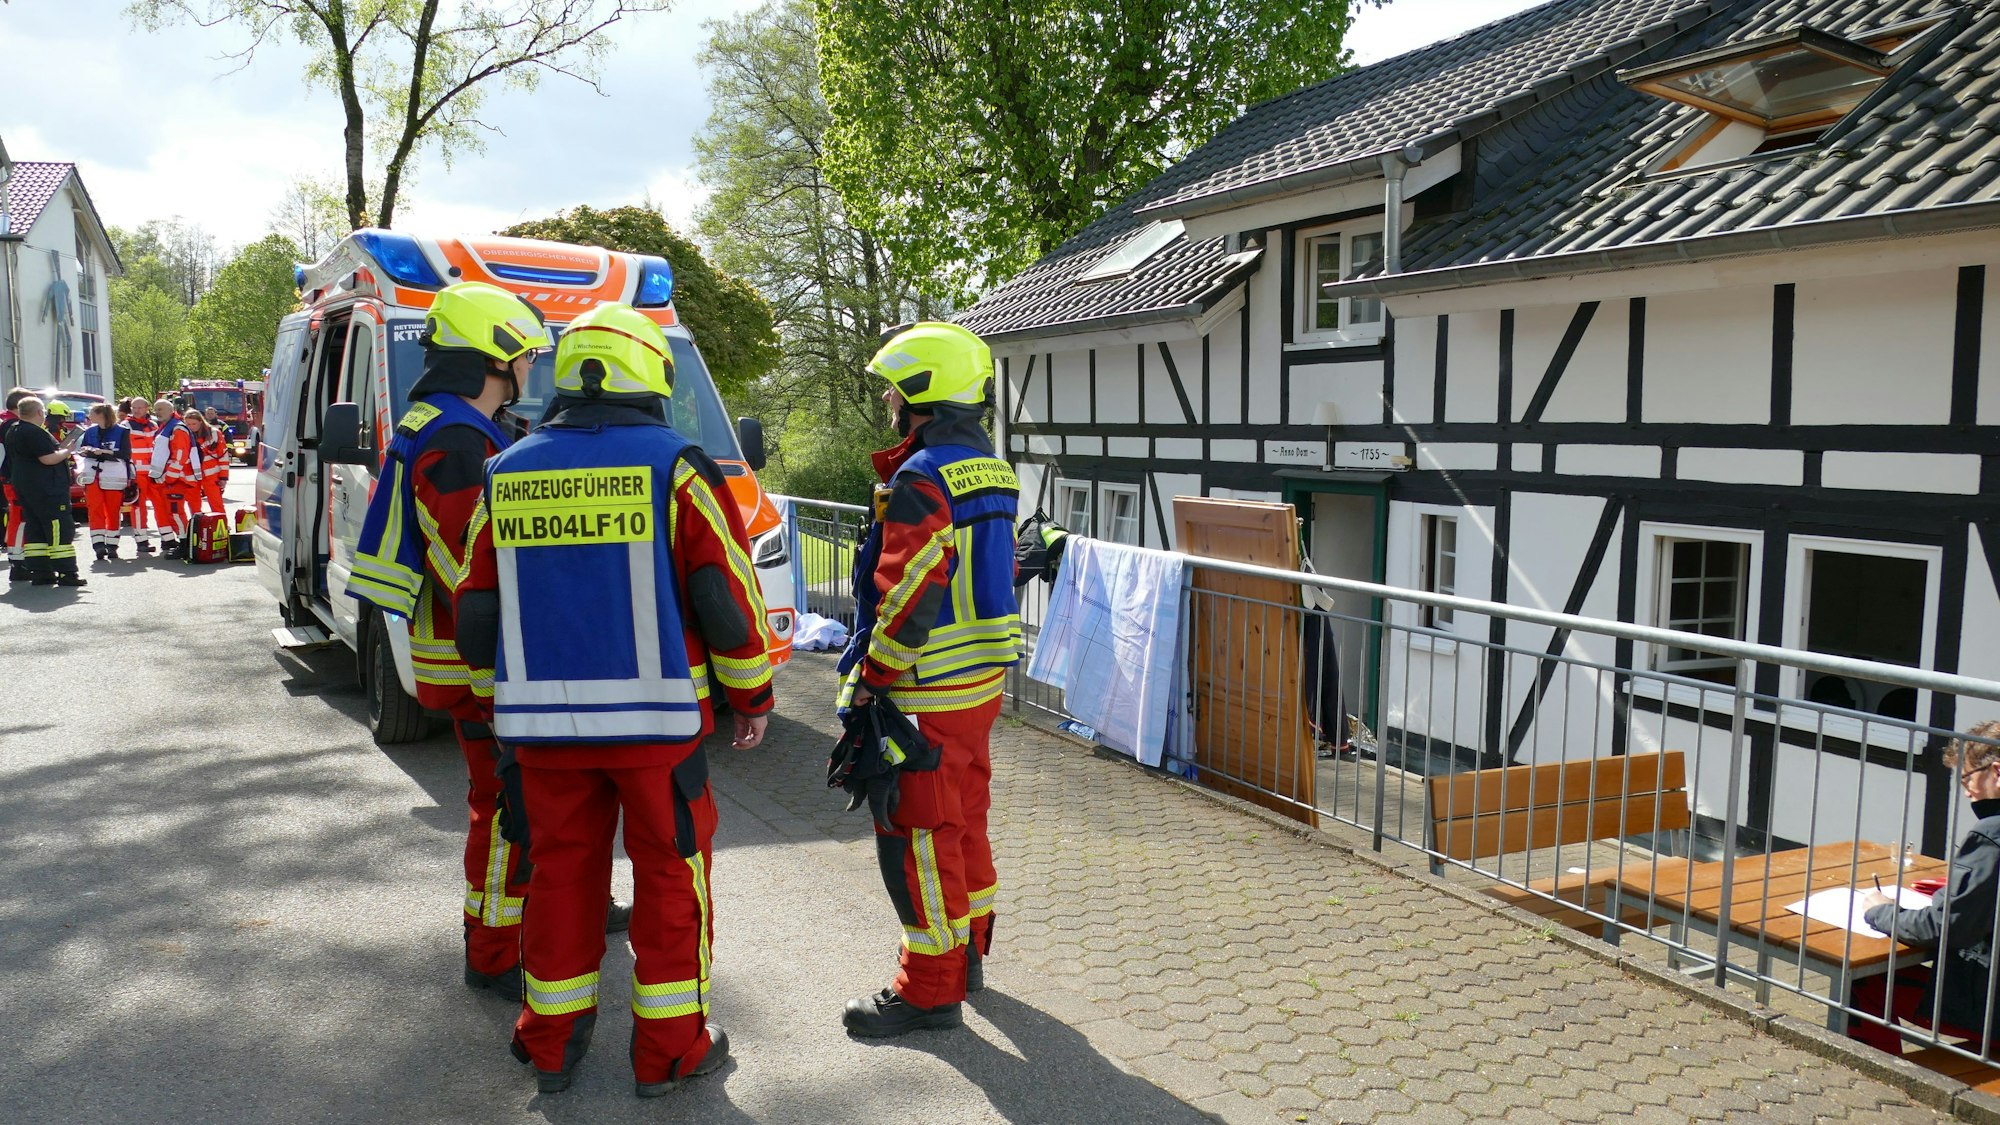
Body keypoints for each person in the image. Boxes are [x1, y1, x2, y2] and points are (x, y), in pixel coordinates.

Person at [455, 302, 772, 1096]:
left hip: (541, 730)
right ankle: (669, 1051)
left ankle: (551, 1041)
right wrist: (753, 693)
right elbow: (725, 597)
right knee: (671, 875)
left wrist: (496, 702)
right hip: (655, 729)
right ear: (648, 375)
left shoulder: (508, 468)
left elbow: (476, 608)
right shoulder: (678, 464)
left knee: (560, 874)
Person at [349, 282, 627, 1008]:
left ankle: (564, 906)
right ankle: (496, 950)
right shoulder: (457, 440)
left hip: (478, 655)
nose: (531, 369)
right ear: (493, 357)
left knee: (535, 797)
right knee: (508, 806)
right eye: (524, 356)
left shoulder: (450, 424)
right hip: (485, 664)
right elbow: (474, 559)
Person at [835, 322, 1023, 1037]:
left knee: (918, 835)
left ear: (919, 394)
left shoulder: (921, 477)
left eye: (893, 388)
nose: (887, 399)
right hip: (979, 684)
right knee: (966, 820)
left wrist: (871, 679)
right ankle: (969, 953)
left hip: (926, 688)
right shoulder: (994, 469)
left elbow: (910, 588)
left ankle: (930, 990)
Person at [1852, 721, 2000, 1052]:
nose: (1966, 792)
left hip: (1989, 1011)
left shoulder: (1990, 836)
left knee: (1865, 982)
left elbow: (1946, 926)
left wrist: (1880, 911)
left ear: (1997, 772)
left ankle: (1881, 1080)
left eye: (1967, 778)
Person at [3, 397, 85, 587]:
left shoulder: (14, 430)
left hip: (26, 487)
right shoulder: (34, 432)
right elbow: (47, 459)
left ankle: (41, 572)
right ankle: (67, 573)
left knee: (36, 529)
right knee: (59, 528)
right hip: (47, 489)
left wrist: (59, 448)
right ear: (39, 412)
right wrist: (67, 451)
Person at [76, 403, 132, 562]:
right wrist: (87, 450)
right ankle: (98, 545)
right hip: (93, 474)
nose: (89, 416)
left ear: (101, 414)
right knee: (95, 509)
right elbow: (81, 450)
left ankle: (112, 545)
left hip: (113, 475)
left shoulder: (121, 431)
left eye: (92, 413)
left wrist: (106, 452)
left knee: (113, 510)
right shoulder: (90, 431)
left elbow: (126, 453)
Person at [148, 398, 201, 555]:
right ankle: (183, 543)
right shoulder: (168, 427)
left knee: (176, 512)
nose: (157, 413)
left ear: (171, 411)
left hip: (179, 479)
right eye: (156, 410)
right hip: (175, 479)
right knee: (174, 513)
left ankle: (185, 546)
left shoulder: (176, 429)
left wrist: (168, 477)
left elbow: (180, 456)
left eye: (161, 409)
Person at [124, 398, 163, 556]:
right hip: (137, 473)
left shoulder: (153, 425)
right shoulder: (126, 425)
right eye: (134, 407)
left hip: (153, 472)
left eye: (140, 407)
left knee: (161, 505)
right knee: (139, 508)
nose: (137, 410)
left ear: (147, 408)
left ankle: (167, 538)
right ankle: (142, 541)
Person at [0, 386, 32, 569]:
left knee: (16, 517)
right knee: (19, 518)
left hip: (10, 478)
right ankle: (18, 560)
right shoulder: (12, 426)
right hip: (14, 478)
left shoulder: (6, 423)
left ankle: (17, 557)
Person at [187, 411, 228, 514]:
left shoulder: (214, 433)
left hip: (211, 475)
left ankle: (222, 525)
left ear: (201, 422)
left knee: (216, 503)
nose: (191, 427)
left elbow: (223, 457)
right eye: (188, 424)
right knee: (193, 504)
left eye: (194, 424)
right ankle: (197, 526)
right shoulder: (184, 435)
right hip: (192, 474)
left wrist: (223, 477)